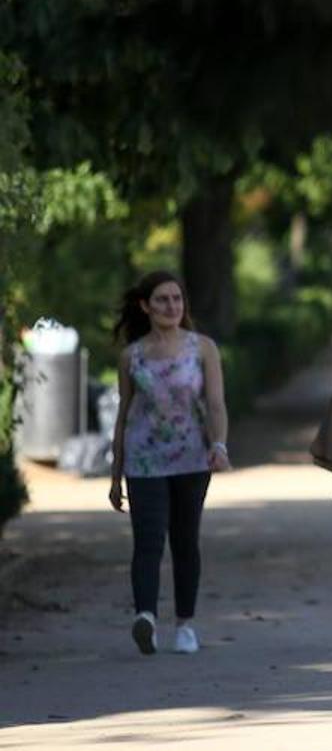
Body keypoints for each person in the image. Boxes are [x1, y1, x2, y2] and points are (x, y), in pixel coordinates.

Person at [109, 271, 231, 655]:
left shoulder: (202, 348)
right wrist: (116, 475)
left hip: (193, 457)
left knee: (184, 540)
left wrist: (220, 444)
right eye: (162, 300)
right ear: (145, 306)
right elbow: (124, 414)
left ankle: (185, 625)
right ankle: (145, 616)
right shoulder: (132, 355)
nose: (171, 307)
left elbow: (215, 403)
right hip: (144, 461)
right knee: (148, 541)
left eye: (177, 299)